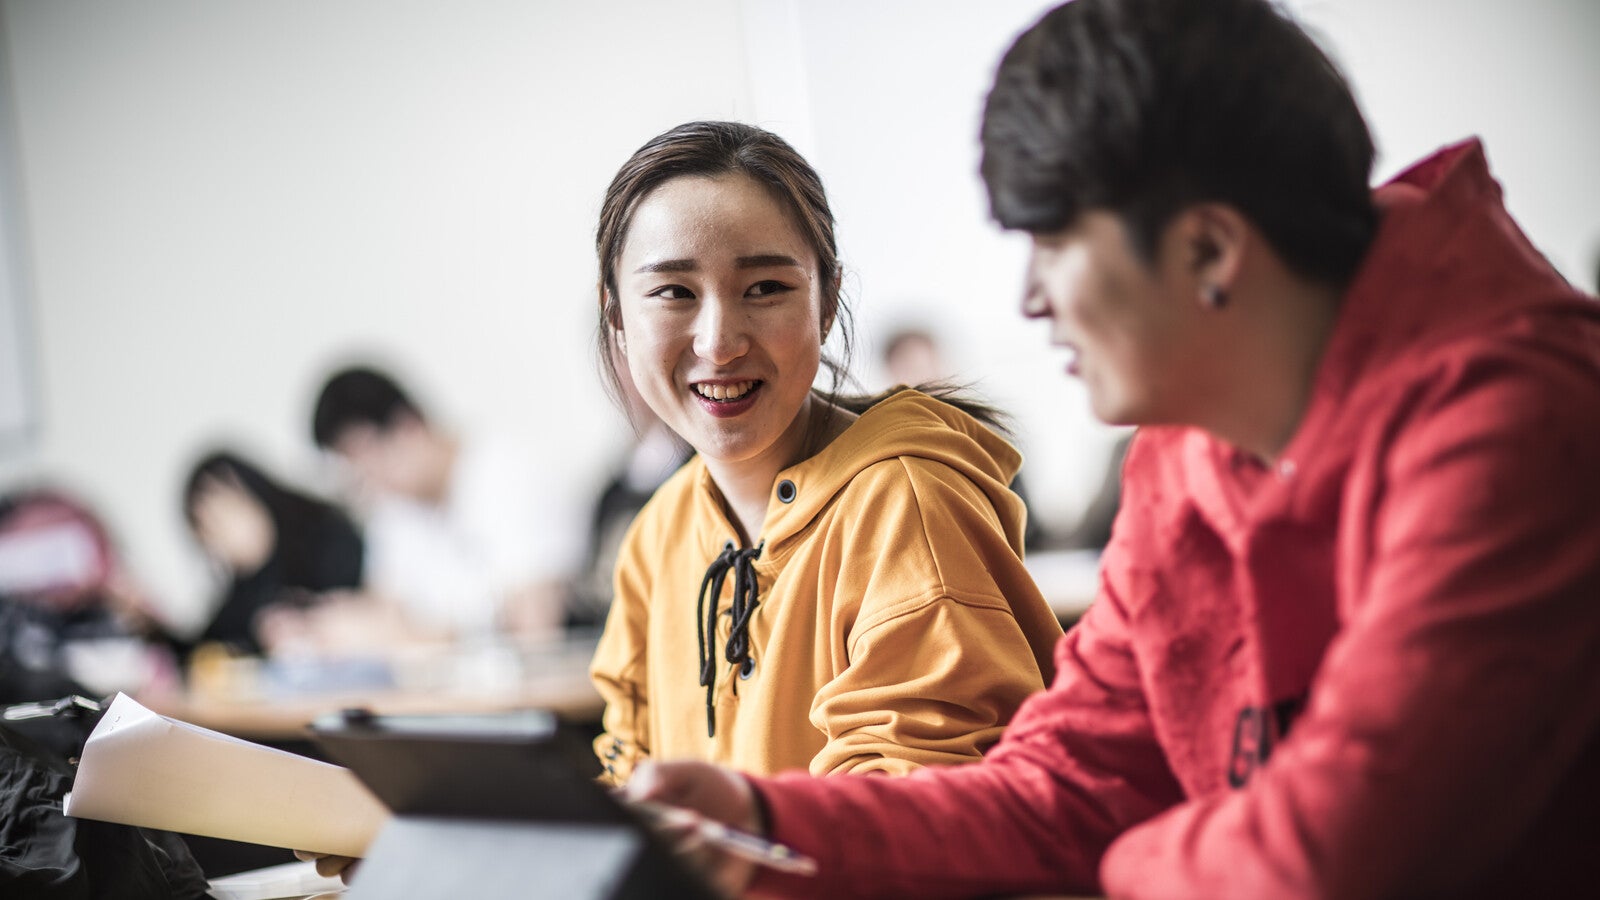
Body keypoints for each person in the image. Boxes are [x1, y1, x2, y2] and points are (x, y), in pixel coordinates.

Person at [622, 1, 1600, 897]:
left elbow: (1331, 861)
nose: (1030, 299)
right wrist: (760, 819)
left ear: (1208, 251)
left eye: (1051, 244)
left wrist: (1132, 850)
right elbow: (1063, 786)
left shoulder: (1516, 423)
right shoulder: (1187, 440)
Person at [587, 120, 1063, 782]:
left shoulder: (904, 503)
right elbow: (626, 760)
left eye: (765, 289)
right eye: (674, 292)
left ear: (828, 299)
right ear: (617, 314)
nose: (719, 342)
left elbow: (919, 799)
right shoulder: (657, 534)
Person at [309, 365, 580, 642]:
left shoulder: (509, 475)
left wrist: (416, 638)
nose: (368, 483)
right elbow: (382, 613)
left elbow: (535, 632)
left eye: (367, 463)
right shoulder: (395, 509)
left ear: (407, 427)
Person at [178, 450, 364, 657]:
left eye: (217, 521)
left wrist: (306, 624)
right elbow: (207, 646)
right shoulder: (244, 589)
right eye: (205, 532)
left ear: (245, 490)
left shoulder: (328, 536)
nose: (216, 544)